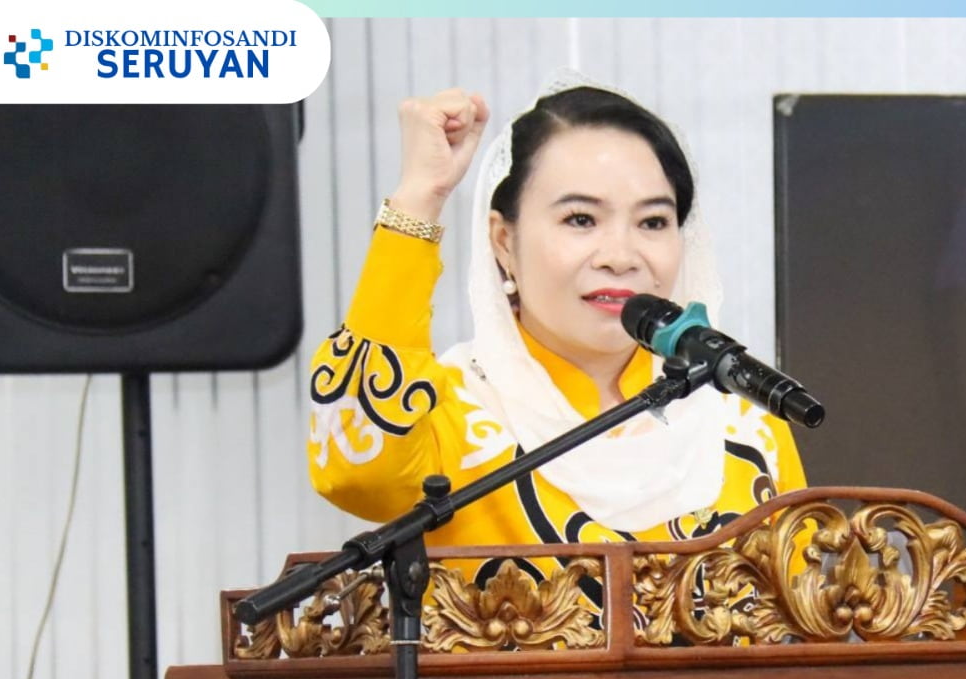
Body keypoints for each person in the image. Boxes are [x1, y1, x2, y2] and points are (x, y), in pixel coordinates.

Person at [306, 76, 806, 559]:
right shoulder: (451, 410)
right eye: (580, 219)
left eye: (653, 221)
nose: (620, 256)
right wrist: (421, 194)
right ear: (504, 241)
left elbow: (803, 602)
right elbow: (356, 473)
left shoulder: (739, 422)